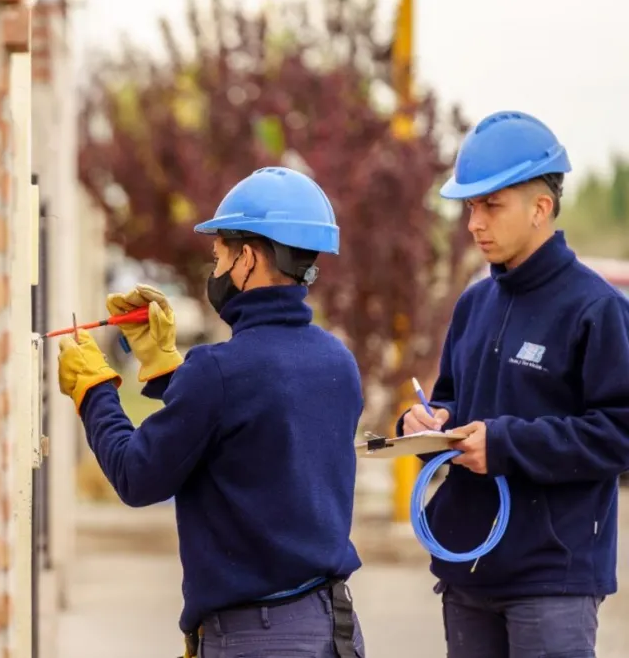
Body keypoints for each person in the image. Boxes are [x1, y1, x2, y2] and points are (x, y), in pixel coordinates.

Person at [56, 167, 367, 658]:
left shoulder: (220, 372)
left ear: (247, 258)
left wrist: (94, 390)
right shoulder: (337, 362)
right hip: (332, 630)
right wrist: (163, 369)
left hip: (256, 640)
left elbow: (138, 477)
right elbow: (252, 423)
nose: (215, 268)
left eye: (219, 253)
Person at [397, 110, 629, 657]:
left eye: (490, 206)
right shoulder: (474, 303)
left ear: (540, 207)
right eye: (470, 207)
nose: (474, 222)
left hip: (553, 581)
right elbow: (452, 399)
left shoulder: (596, 309)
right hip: (467, 569)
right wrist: (428, 425)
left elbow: (621, 432)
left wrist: (505, 445)